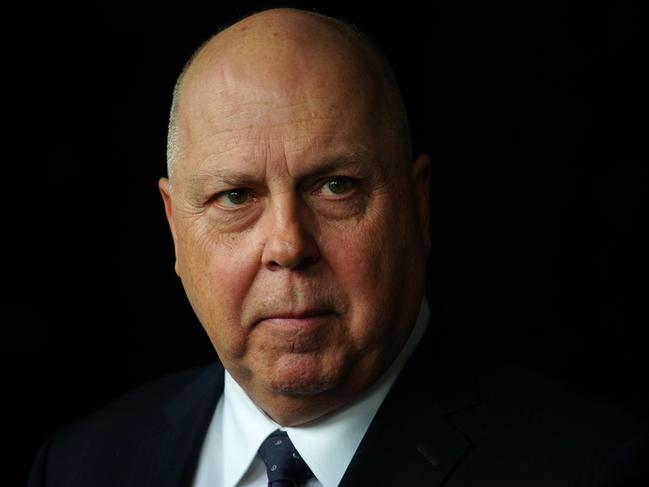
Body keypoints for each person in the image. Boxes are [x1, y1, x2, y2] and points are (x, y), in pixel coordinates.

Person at [29, 7, 647, 487]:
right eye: (236, 197)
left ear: (417, 206)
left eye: (334, 186)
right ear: (174, 228)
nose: (288, 245)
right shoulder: (78, 466)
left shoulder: (591, 468)